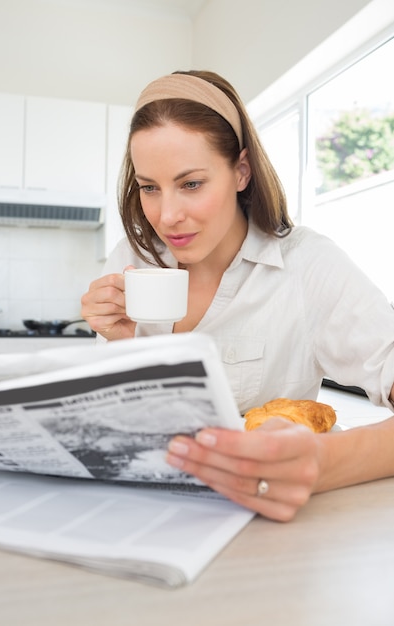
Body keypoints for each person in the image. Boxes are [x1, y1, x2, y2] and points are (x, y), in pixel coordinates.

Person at [81, 70, 394, 522]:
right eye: (149, 187)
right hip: (144, 515)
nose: (166, 216)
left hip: (272, 534)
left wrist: (322, 462)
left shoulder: (308, 266)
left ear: (241, 171)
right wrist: (121, 345)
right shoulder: (133, 257)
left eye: (191, 184)